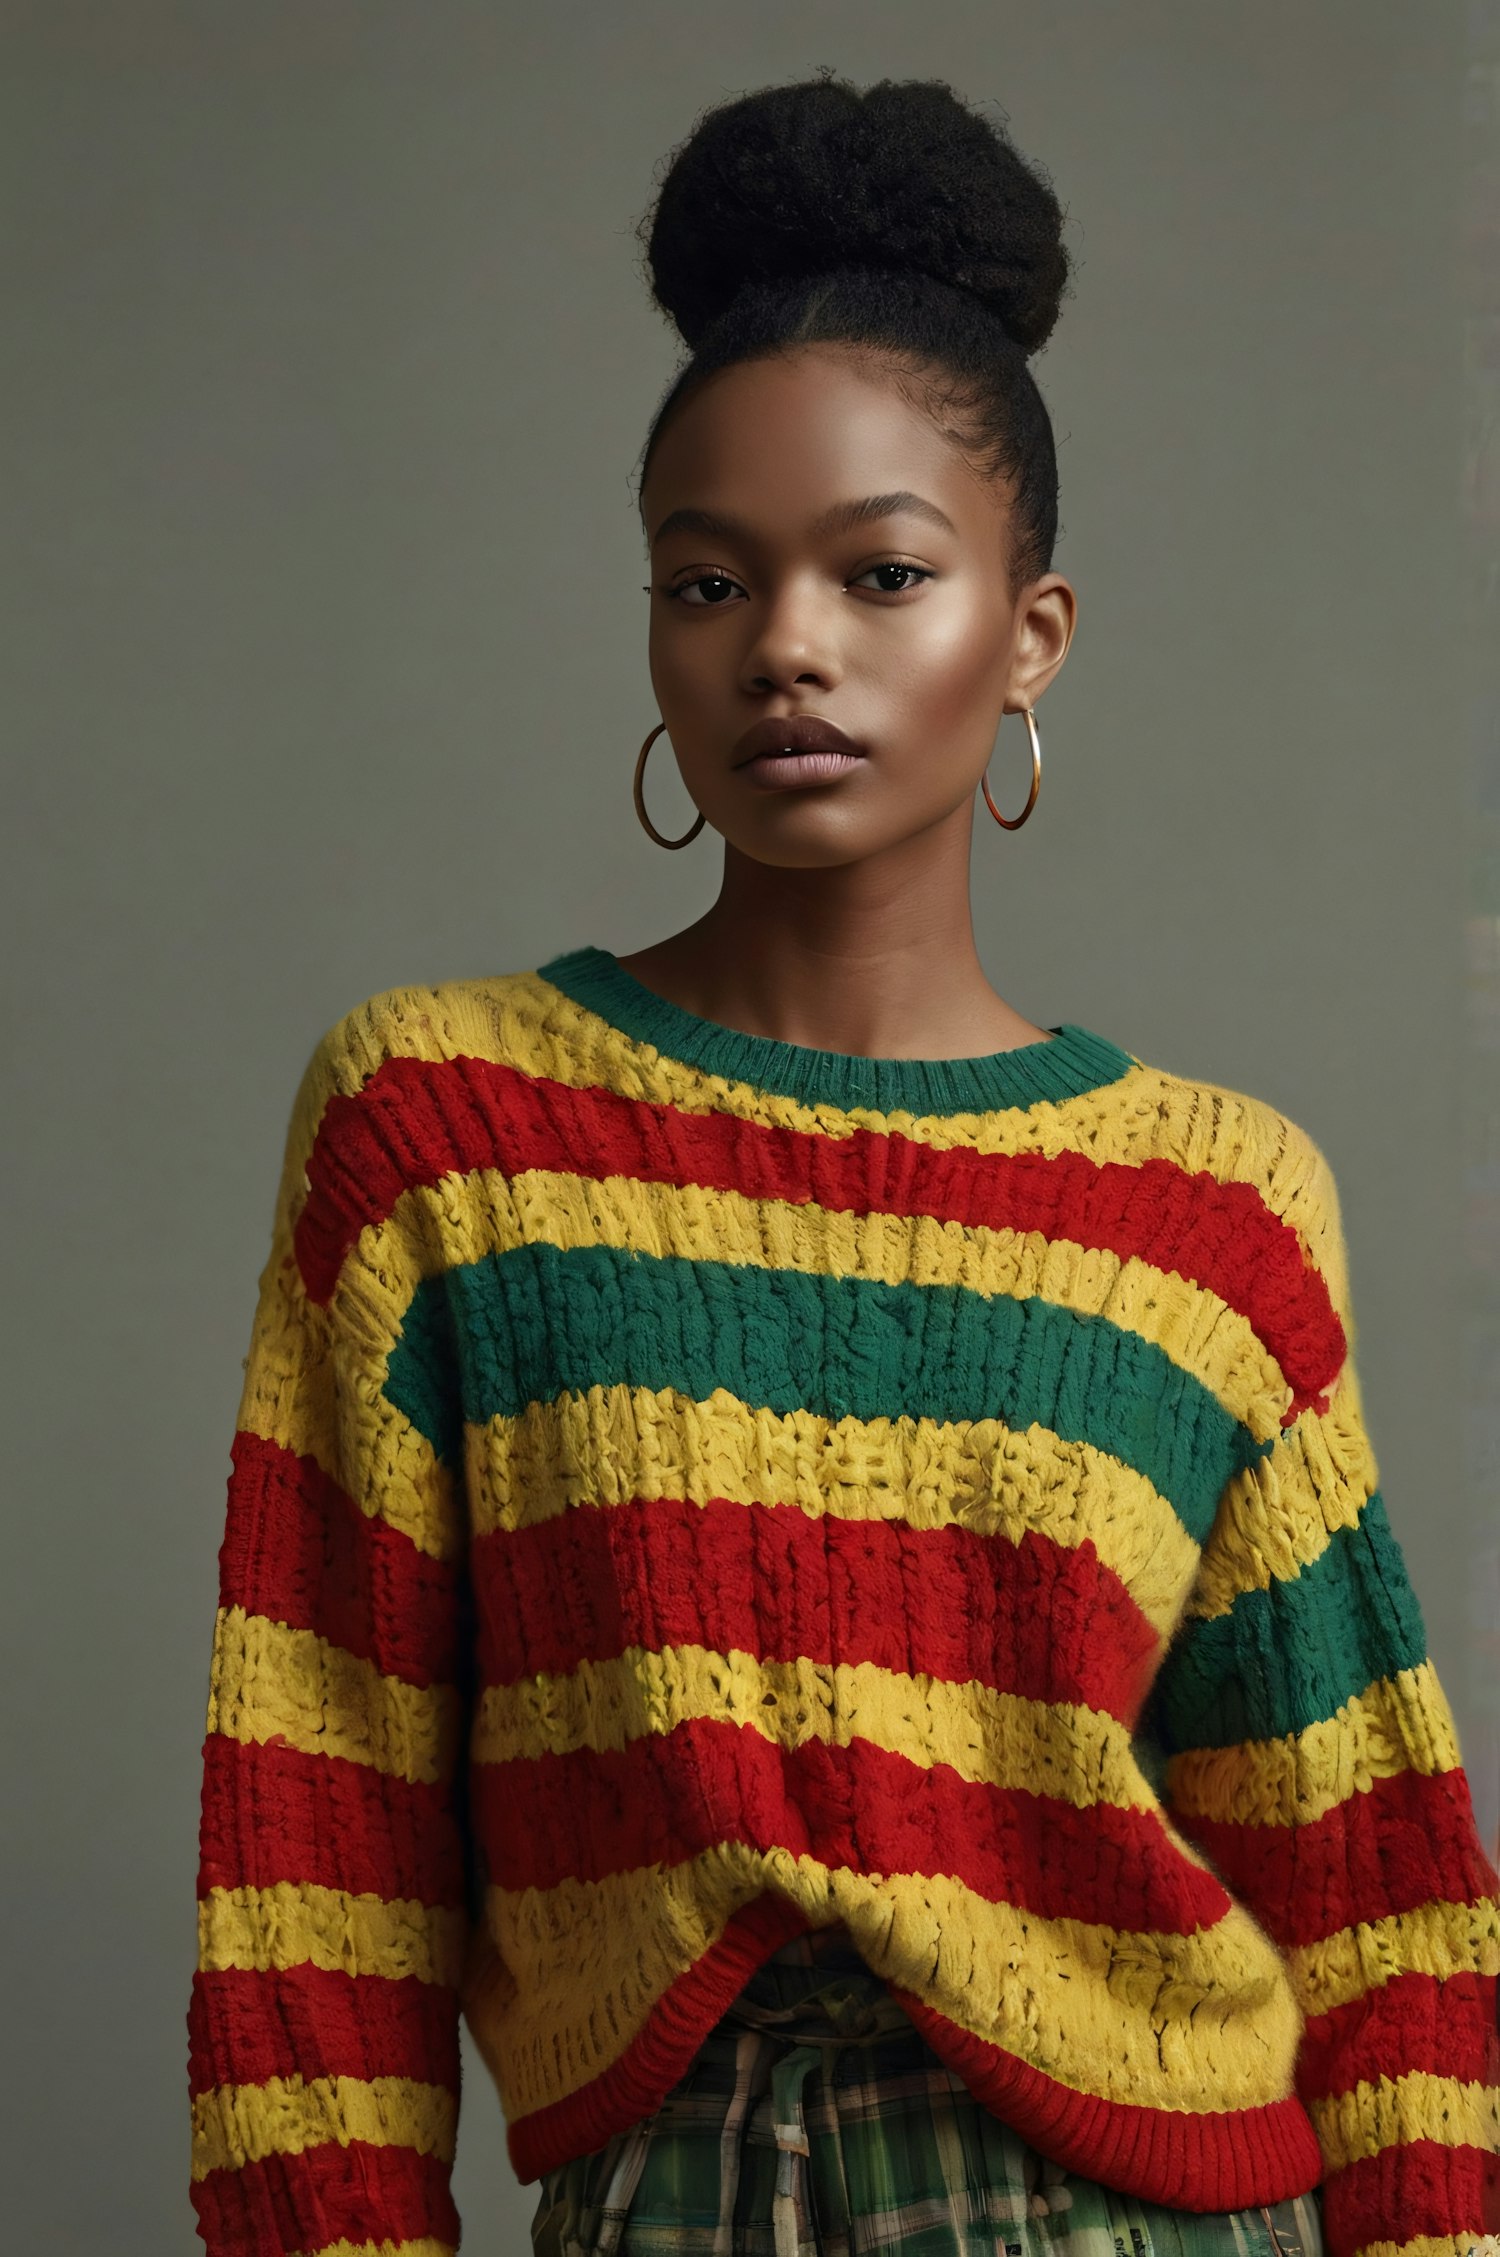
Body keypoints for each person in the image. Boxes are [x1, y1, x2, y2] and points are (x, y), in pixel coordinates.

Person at [186, 68, 1500, 2257]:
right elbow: (310, 1865)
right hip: (666, 2199)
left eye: (881, 572)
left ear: (1030, 636)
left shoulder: (1213, 1203)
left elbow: (1375, 1885)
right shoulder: (444, 1135)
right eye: (708, 579)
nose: (785, 643)